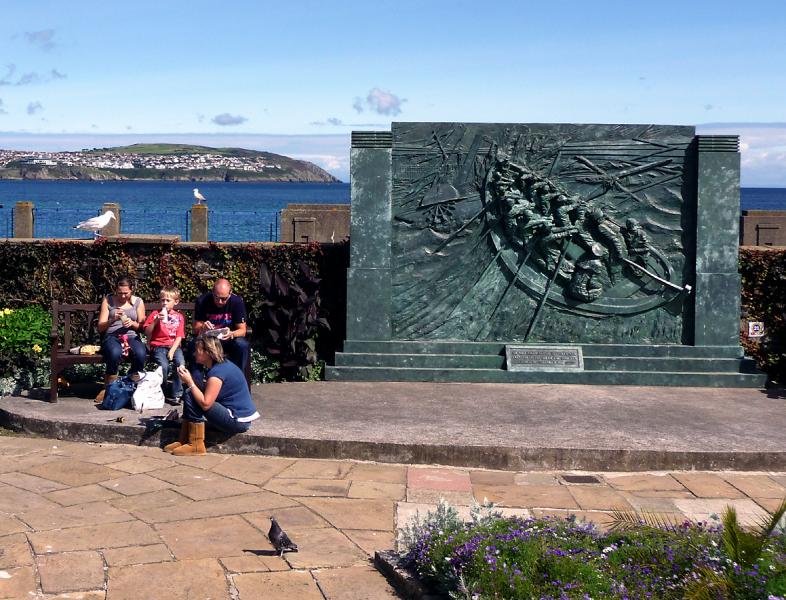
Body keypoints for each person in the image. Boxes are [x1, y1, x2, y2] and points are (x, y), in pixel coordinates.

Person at [164, 334, 259, 456]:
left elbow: (206, 404)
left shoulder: (217, 373)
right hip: (235, 416)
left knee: (191, 393)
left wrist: (190, 382)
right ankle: (184, 440)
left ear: (207, 353)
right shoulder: (221, 366)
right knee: (191, 392)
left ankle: (196, 445)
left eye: (197, 351)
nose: (194, 354)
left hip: (237, 421)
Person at [95, 276, 146, 403]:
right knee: (114, 353)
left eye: (126, 293)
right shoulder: (109, 300)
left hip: (131, 335)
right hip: (112, 335)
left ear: (132, 290)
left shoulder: (138, 302)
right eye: (120, 293)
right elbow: (100, 327)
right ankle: (110, 387)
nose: (123, 296)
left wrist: (133, 324)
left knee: (140, 354)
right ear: (115, 290)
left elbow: (142, 327)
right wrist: (113, 319)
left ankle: (130, 384)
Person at [193, 278, 249, 370]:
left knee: (242, 345)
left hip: (228, 339)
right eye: (216, 297)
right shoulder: (202, 301)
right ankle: (196, 383)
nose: (219, 302)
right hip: (209, 340)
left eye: (224, 299)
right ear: (212, 292)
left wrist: (231, 334)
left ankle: (236, 377)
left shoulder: (237, 302)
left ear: (230, 293)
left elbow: (242, 331)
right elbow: (195, 329)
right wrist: (203, 327)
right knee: (193, 345)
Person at [142, 286, 186, 403]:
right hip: (158, 346)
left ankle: (176, 393)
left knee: (180, 364)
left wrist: (172, 350)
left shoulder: (179, 317)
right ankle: (163, 390)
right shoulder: (155, 314)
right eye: (162, 300)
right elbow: (147, 332)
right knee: (163, 366)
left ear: (176, 302)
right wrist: (156, 321)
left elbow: (179, 336)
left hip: (174, 346)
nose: (164, 303)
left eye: (168, 300)